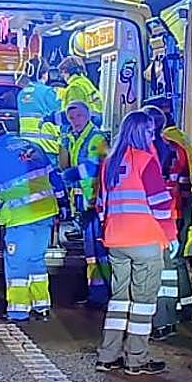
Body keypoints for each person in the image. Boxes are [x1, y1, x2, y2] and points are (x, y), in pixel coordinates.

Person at [96, 110, 177, 375]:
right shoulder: (145, 161)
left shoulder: (109, 163)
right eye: (150, 132)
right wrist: (171, 235)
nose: (153, 137)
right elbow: (160, 204)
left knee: (119, 299)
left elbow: (101, 205)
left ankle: (107, 356)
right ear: (142, 132)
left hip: (115, 240)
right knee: (143, 302)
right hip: (144, 240)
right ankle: (136, 359)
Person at [0, 115, 61, 323]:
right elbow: (54, 177)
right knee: (36, 261)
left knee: (17, 265)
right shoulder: (31, 146)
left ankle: (18, 311)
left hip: (20, 218)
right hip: (46, 212)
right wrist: (63, 205)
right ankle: (41, 306)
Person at [142, 103, 192, 340]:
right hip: (173, 214)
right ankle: (177, 312)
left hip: (153, 217)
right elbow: (183, 184)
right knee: (171, 267)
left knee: (159, 271)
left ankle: (163, 321)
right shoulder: (176, 148)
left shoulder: (147, 151)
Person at [60, 100, 111, 306]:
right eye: (72, 118)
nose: (75, 121)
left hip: (95, 204)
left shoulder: (96, 138)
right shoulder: (73, 138)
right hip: (84, 203)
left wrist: (68, 175)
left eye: (79, 116)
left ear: (88, 115)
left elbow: (94, 166)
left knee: (100, 253)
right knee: (91, 254)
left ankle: (106, 293)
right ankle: (96, 293)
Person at [16, 58, 64, 165]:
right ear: (44, 73)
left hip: (26, 147)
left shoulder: (21, 94)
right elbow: (62, 115)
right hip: (46, 148)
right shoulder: (48, 92)